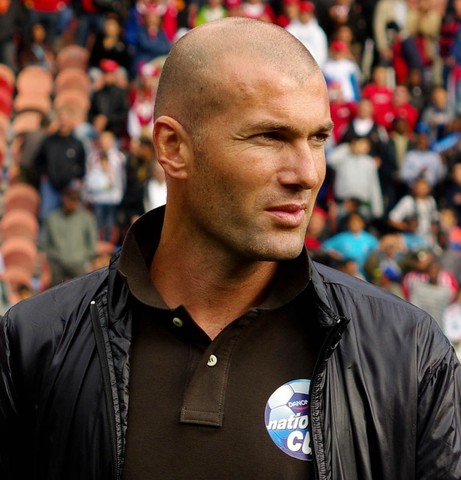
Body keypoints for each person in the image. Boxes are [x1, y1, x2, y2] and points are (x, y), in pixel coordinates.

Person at [0, 17, 460, 480]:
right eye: (270, 137)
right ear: (173, 147)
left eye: (318, 139)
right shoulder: (35, 344)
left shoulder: (409, 353)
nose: (307, 174)